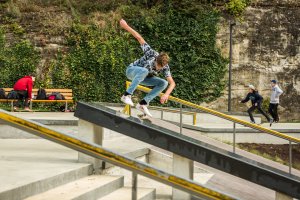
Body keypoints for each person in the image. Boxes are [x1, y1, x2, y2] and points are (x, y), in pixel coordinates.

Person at [119, 19, 176, 117]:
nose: (158, 69)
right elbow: (139, 38)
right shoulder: (151, 53)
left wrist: (166, 94)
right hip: (132, 70)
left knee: (164, 83)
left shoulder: (165, 66)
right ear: (156, 60)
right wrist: (126, 26)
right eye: (157, 66)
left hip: (143, 78)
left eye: (160, 68)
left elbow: (172, 83)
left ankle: (143, 104)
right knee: (145, 70)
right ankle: (126, 95)